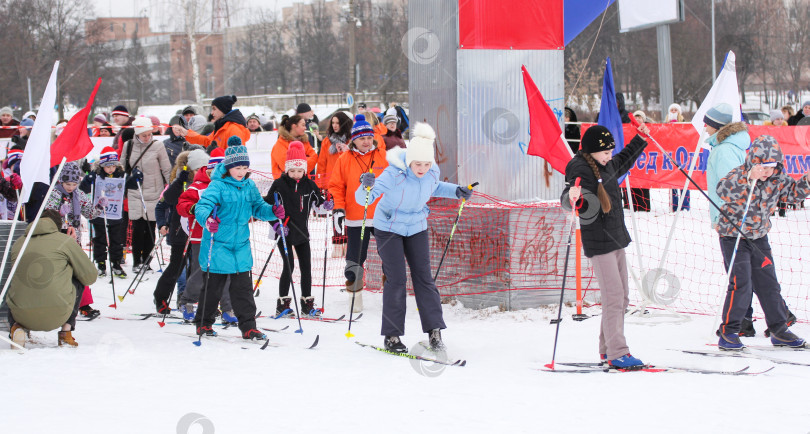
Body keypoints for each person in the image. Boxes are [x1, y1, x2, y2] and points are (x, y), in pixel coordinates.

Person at [359, 123, 472, 353]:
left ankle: (434, 333)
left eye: (426, 163)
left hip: (416, 227)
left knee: (424, 279)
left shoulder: (431, 172)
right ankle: (392, 336)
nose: (422, 168)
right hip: (389, 227)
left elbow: (435, 186)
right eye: (417, 164)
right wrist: (365, 186)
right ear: (409, 161)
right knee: (397, 279)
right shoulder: (393, 174)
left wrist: (457, 191)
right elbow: (365, 199)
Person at [561, 123, 650, 368]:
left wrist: (640, 138)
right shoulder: (580, 167)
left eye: (611, 152)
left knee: (621, 297)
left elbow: (624, 159)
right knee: (613, 296)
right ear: (591, 151)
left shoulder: (607, 163)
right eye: (605, 152)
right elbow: (570, 194)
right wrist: (573, 199)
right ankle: (617, 352)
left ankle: (606, 347)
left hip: (615, 237)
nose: (609, 156)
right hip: (598, 241)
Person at [715, 135, 810, 350]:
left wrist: (808, 180)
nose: (767, 172)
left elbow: (793, 194)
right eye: (763, 167)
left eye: (771, 167)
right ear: (753, 162)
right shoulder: (740, 174)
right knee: (742, 284)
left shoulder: (778, 178)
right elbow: (723, 191)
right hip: (734, 237)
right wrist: (749, 177)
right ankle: (729, 332)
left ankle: (779, 330)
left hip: (759, 237)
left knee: (769, 284)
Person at [192, 136, 281, 340]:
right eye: (237, 168)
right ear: (228, 167)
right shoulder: (217, 185)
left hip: (240, 245)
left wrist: (274, 211)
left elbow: (258, 207)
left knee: (243, 290)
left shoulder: (249, 185)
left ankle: (249, 327)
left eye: (244, 168)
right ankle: (203, 323)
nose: (241, 172)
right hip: (218, 244)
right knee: (213, 289)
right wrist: (207, 220)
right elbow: (202, 207)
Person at [6, 209, 98, 348]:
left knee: (17, 281)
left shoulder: (19, 242)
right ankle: (66, 333)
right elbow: (89, 277)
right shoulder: (65, 241)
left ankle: (16, 328)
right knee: (78, 279)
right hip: (58, 313)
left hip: (21, 313)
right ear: (58, 226)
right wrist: (71, 246)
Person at [328, 114, 389, 312]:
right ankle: (355, 298)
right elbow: (336, 186)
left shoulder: (382, 156)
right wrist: (339, 208)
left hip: (382, 216)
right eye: (362, 138)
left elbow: (394, 182)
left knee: (390, 258)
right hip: (356, 218)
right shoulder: (344, 159)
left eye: (369, 138)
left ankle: (391, 296)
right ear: (354, 139)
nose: (366, 142)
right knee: (355, 261)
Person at [266, 141, 331, 317]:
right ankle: (283, 304)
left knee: (306, 268)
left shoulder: (309, 185)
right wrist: (276, 226)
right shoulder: (279, 184)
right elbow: (267, 209)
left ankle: (306, 304)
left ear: (305, 170)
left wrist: (327, 205)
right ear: (287, 169)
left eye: (300, 171)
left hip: (302, 233)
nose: (296, 174)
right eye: (292, 170)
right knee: (289, 266)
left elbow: (319, 207)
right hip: (284, 231)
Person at [176, 148, 234, 320]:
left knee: (225, 272)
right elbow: (182, 204)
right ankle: (187, 301)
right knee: (202, 272)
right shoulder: (198, 186)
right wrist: (193, 208)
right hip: (201, 236)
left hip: (223, 236)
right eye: (212, 171)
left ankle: (227, 309)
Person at [152, 149, 209, 315]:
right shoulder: (181, 182)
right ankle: (161, 297)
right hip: (180, 231)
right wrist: (179, 182)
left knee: (198, 267)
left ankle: (191, 299)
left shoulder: (207, 183)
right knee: (177, 266)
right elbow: (166, 200)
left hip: (199, 230)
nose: (202, 172)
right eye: (199, 169)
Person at [45, 162, 104, 319]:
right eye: (67, 184)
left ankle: (83, 304)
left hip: (74, 239)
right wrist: (58, 212)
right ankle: (54, 303)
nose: (70, 187)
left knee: (79, 271)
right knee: (58, 272)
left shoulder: (79, 194)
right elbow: (46, 215)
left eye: (73, 184)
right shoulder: (54, 193)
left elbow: (90, 213)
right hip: (57, 239)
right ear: (61, 181)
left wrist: (99, 206)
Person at [121, 116, 172, 273]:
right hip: (135, 190)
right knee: (137, 228)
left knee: (150, 227)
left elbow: (166, 168)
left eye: (149, 134)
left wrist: (170, 186)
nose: (147, 137)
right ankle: (137, 261)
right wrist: (128, 177)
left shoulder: (157, 146)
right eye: (144, 135)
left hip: (154, 191)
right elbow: (122, 166)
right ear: (137, 133)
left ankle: (147, 261)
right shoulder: (128, 145)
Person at [79, 147, 131, 278]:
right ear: (102, 166)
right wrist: (87, 178)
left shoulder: (121, 175)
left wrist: (135, 178)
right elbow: (82, 189)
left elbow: (131, 185)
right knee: (100, 239)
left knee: (116, 240)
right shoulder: (96, 175)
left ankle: (116, 264)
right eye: (108, 166)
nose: (111, 169)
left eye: (113, 166)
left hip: (115, 213)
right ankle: (101, 263)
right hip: (99, 213)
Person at [172, 95, 250, 152]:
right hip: (219, 171)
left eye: (214, 109)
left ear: (222, 109)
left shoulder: (234, 129)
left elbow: (237, 158)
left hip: (227, 173)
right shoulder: (221, 127)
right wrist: (186, 133)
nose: (212, 113)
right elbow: (207, 141)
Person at [271, 115, 318, 179]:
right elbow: (285, 166)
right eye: (303, 125)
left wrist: (297, 161)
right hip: (284, 184)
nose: (305, 128)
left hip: (303, 182)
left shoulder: (305, 142)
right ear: (294, 126)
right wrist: (304, 162)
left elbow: (314, 157)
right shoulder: (280, 144)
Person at [667, 104, 690, 211]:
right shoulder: (666, 124)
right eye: (672, 109)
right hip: (670, 154)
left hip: (682, 155)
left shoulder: (684, 123)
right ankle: (675, 205)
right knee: (672, 181)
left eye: (676, 109)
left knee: (684, 180)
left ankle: (685, 205)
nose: (674, 111)